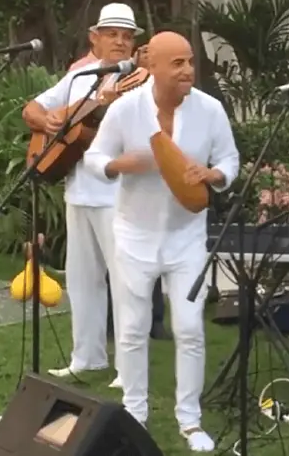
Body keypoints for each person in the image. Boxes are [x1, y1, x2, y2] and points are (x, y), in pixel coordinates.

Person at [84, 31, 239, 451]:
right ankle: (134, 415)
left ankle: (190, 420)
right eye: (178, 63)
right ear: (151, 66)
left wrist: (213, 175)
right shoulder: (125, 109)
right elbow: (94, 158)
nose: (188, 70)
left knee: (189, 328)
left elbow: (230, 159)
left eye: (190, 61)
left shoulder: (210, 109)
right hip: (134, 235)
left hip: (187, 237)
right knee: (132, 329)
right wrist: (119, 164)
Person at [22, 3, 144, 388]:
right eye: (112, 34)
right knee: (81, 281)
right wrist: (49, 122)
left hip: (119, 196)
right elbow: (32, 109)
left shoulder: (138, 80)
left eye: (126, 36)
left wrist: (99, 116)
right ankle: (86, 358)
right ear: (95, 38)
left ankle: (129, 368)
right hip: (78, 191)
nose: (120, 42)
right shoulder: (79, 75)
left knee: (125, 283)